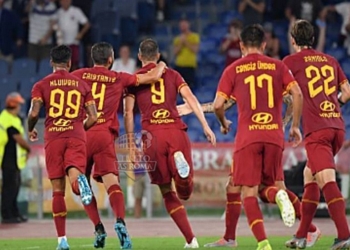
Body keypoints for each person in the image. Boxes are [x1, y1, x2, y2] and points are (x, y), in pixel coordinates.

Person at [213, 24, 303, 250]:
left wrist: (223, 123)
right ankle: (230, 237)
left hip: (248, 137)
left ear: (241, 45)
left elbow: (217, 105)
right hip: (274, 135)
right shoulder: (278, 66)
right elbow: (296, 95)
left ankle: (263, 243)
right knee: (253, 186)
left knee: (249, 193)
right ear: (264, 45)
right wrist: (293, 126)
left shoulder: (233, 69)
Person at [72, 42, 166, 249]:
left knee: (81, 185)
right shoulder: (118, 77)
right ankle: (120, 222)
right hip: (104, 135)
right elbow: (151, 77)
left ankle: (98, 228)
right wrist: (161, 65)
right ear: (109, 60)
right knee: (112, 183)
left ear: (92, 58)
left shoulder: (78, 75)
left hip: (81, 135)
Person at [124, 38, 216, 248]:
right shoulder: (173, 74)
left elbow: (128, 113)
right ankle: (181, 171)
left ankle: (191, 240)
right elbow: (190, 98)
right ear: (158, 56)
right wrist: (204, 125)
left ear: (139, 57)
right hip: (175, 130)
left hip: (152, 136)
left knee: (168, 192)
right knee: (186, 192)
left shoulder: (134, 79)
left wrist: (131, 143)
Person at [283, 19, 350, 250]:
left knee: (326, 181)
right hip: (337, 127)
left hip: (317, 131)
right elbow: (347, 92)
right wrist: (332, 107)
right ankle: (303, 235)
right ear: (312, 39)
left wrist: (291, 122)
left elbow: (292, 95)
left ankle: (344, 235)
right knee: (309, 176)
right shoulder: (330, 60)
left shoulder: (290, 62)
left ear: (293, 40)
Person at [27, 45, 97, 250]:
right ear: (69, 63)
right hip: (76, 135)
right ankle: (81, 183)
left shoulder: (41, 85)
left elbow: (33, 113)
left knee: (58, 191)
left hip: (54, 137)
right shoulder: (82, 85)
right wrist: (80, 128)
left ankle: (62, 240)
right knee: (75, 174)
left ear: (51, 63)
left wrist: (31, 129)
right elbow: (93, 116)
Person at [0, 92, 30, 224]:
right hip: (8, 159)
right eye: (18, 104)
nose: (20, 107)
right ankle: (8, 215)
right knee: (10, 188)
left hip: (14, 160)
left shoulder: (11, 118)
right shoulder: (8, 119)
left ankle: (14, 212)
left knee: (14, 186)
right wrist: (28, 148)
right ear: (14, 105)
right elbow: (18, 139)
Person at [57, 0, 90, 70]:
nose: (65, 3)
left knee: (75, 64)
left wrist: (80, 34)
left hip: (74, 43)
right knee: (63, 65)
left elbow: (87, 24)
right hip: (62, 44)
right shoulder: (58, 13)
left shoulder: (76, 11)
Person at [173, 18, 200, 88]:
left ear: (188, 25)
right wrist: (181, 43)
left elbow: (195, 50)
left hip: (190, 66)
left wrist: (185, 41)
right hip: (179, 65)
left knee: (189, 87)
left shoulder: (194, 36)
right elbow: (175, 52)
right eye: (181, 25)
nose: (183, 27)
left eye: (184, 25)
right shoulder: (177, 39)